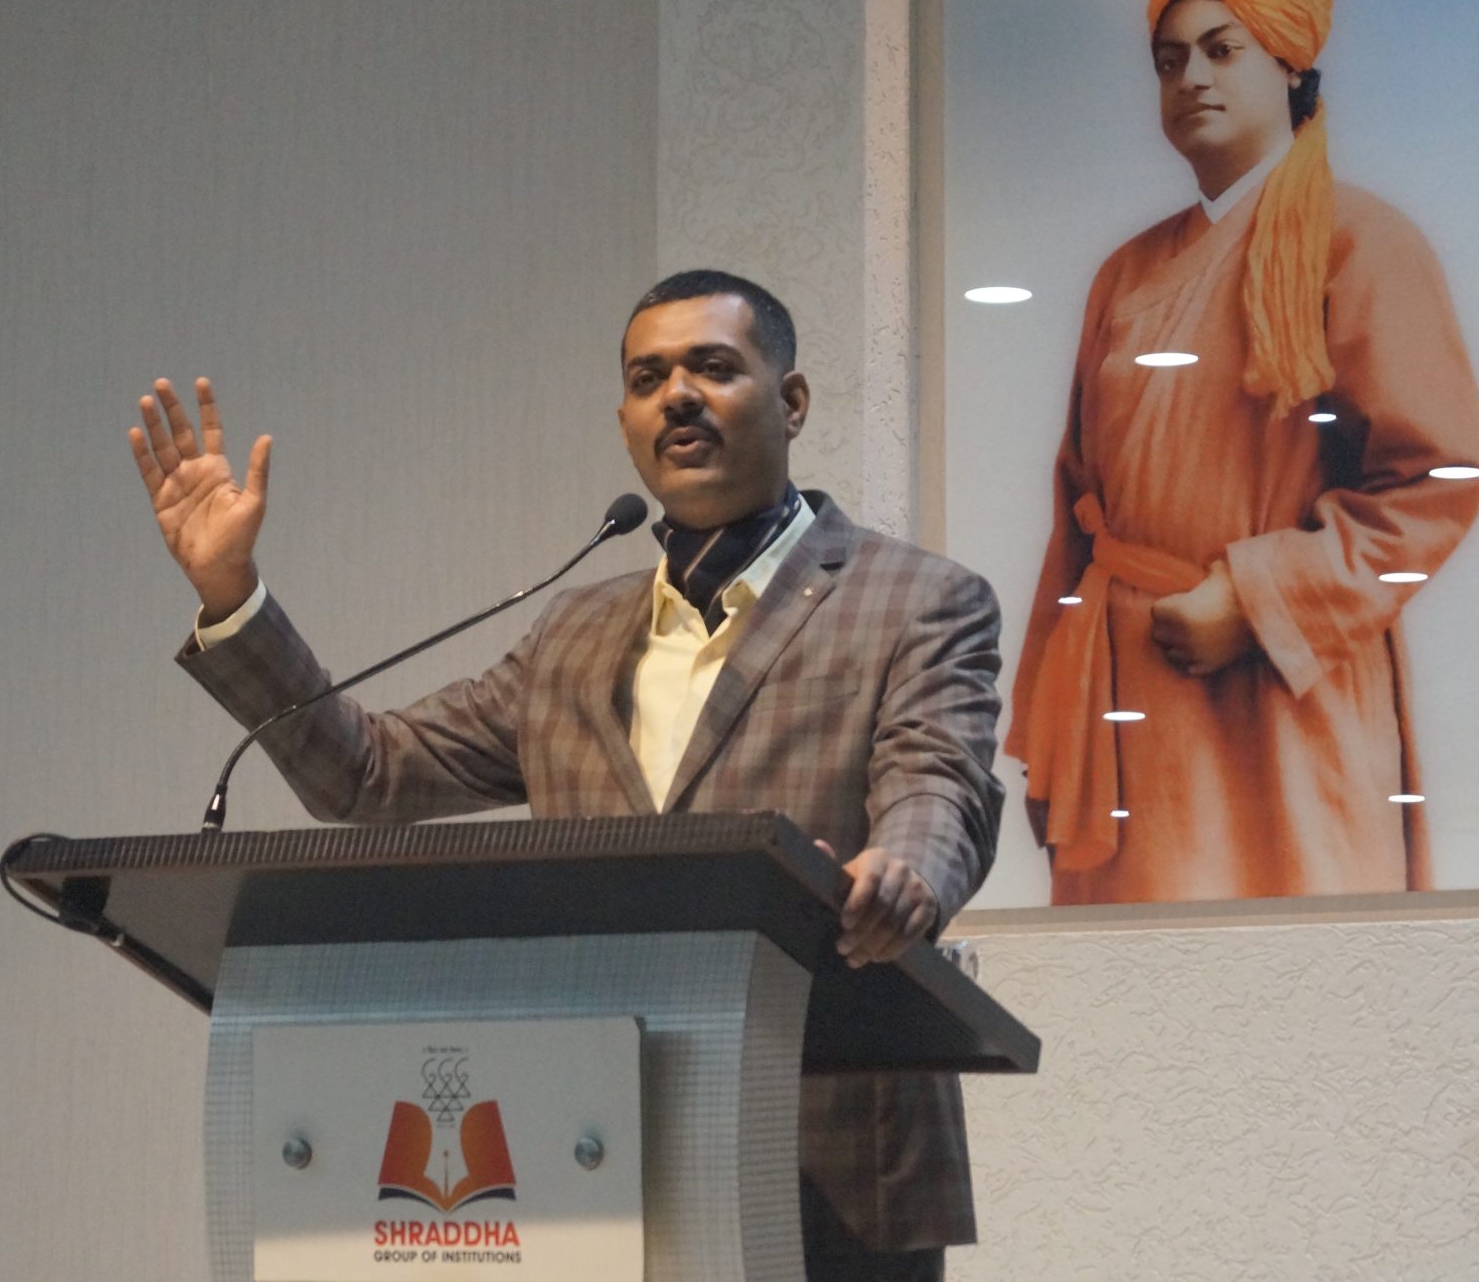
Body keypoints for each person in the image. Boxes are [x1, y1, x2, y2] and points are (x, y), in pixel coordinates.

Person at [128, 270, 1004, 1280]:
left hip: (833, 1160)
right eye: (648, 378)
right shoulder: (575, 631)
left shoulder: (916, 599)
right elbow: (368, 774)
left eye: (713, 368)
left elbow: (939, 785)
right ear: (626, 421)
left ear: (792, 400)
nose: (677, 395)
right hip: (591, 1149)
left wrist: (905, 872)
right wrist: (232, 596)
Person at [1005, 0, 1479, 905]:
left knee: (1301, 969)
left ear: (1290, 61)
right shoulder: (1123, 275)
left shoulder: (1362, 242)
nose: (1191, 77)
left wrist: (1260, 599)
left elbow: (1434, 481)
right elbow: (1074, 516)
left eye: (1221, 49)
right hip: (1127, 712)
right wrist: (1050, 720)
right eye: (1168, 59)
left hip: (1286, 695)